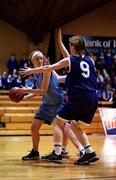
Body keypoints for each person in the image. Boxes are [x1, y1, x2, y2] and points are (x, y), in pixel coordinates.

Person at [20, 31, 99, 165]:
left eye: (70, 46)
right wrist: (59, 43)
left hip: (78, 97)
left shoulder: (70, 60)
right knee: (74, 125)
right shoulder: (90, 60)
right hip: (93, 98)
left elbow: (49, 68)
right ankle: (89, 152)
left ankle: (58, 153)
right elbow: (67, 73)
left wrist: (30, 71)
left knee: (57, 123)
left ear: (73, 47)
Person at [14, 50, 69, 160]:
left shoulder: (47, 70)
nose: (40, 60)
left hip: (58, 101)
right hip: (47, 103)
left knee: (62, 127)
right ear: (32, 62)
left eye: (41, 58)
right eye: (37, 59)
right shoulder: (35, 74)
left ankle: (63, 150)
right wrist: (25, 96)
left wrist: (25, 91)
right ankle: (35, 152)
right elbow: (37, 90)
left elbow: (42, 91)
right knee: (34, 127)